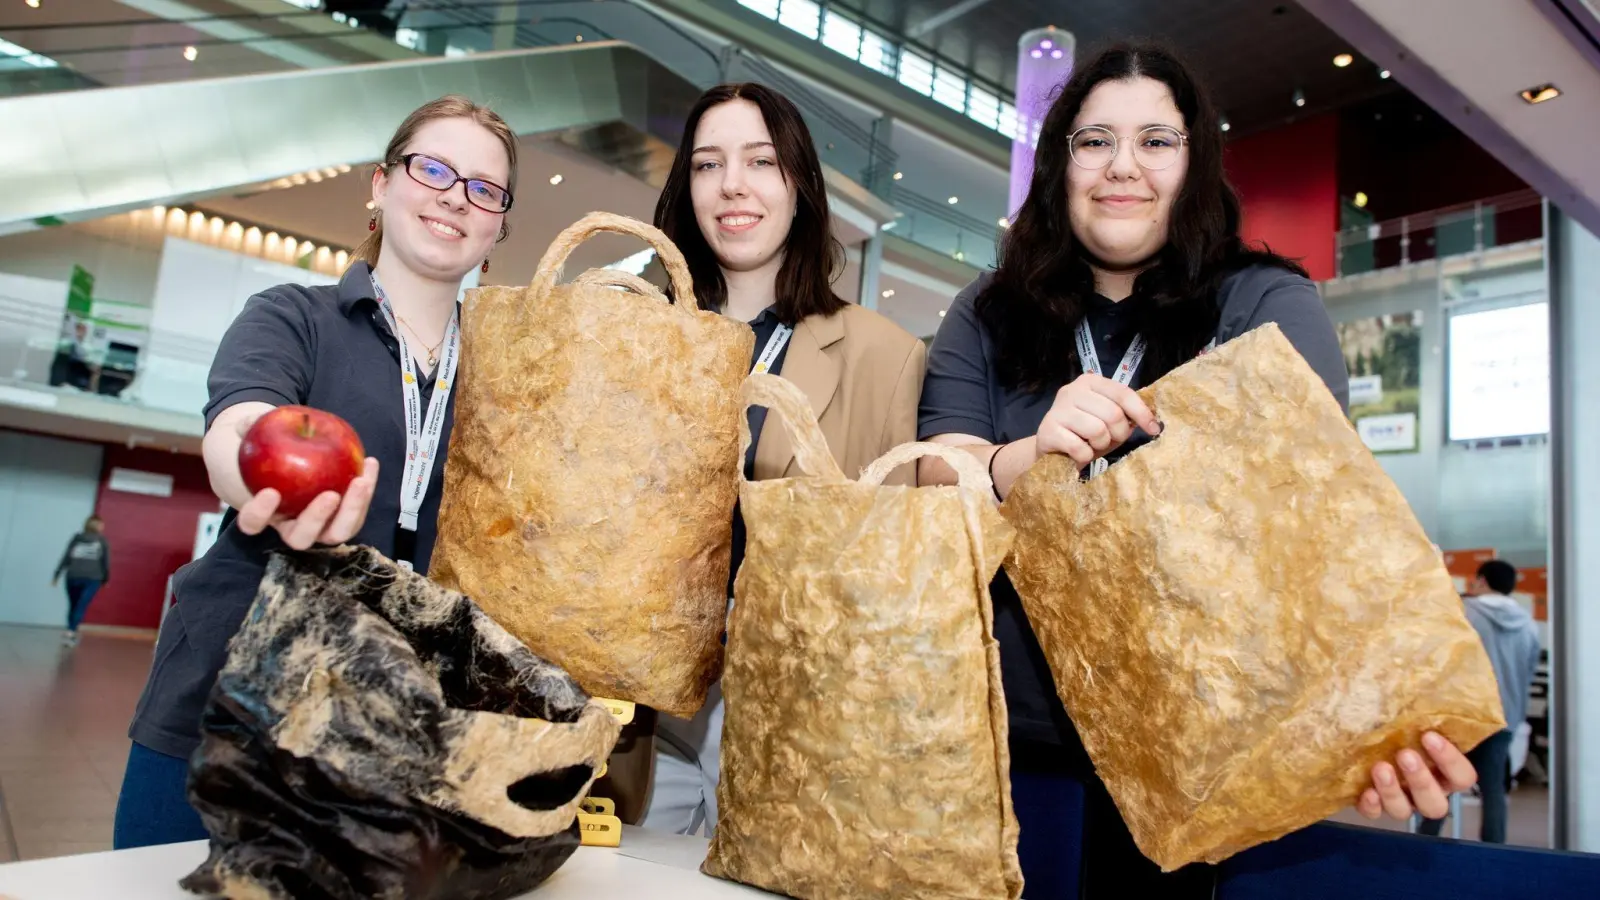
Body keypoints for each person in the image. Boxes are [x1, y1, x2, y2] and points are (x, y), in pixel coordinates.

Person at [916, 42, 1478, 897]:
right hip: (1000, 741)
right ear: (1061, 163)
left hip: (1189, 751)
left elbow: (1325, 521)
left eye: (1157, 141)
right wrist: (1027, 455)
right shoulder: (989, 312)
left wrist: (1385, 712)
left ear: (1195, 161)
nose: (1123, 167)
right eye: (1095, 140)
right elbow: (936, 479)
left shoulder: (1260, 302)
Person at [113, 95, 517, 849]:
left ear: (496, 227)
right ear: (380, 185)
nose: (455, 197)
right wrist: (263, 482)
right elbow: (241, 425)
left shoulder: (505, 381)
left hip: (390, 726)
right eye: (432, 169)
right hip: (229, 694)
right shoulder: (293, 317)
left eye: (483, 189)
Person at [634, 82, 925, 836]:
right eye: (708, 164)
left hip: (796, 720)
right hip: (640, 709)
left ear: (800, 184)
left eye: (761, 160)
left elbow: (897, 571)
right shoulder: (632, 333)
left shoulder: (884, 357)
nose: (733, 184)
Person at [1420, 559, 1541, 843]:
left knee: (1441, 783)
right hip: (1505, 717)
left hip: (1460, 717)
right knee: (1494, 790)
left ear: (1482, 581)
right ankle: (1495, 851)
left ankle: (1425, 842)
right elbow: (1529, 671)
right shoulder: (1529, 625)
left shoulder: (1464, 612)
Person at [53, 514, 110, 646]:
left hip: (72, 576)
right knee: (81, 605)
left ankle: (71, 630)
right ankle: (71, 631)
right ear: (98, 526)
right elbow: (105, 562)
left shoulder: (76, 538)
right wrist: (106, 579)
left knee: (74, 605)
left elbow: (66, 557)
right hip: (92, 578)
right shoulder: (102, 541)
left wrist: (57, 574)